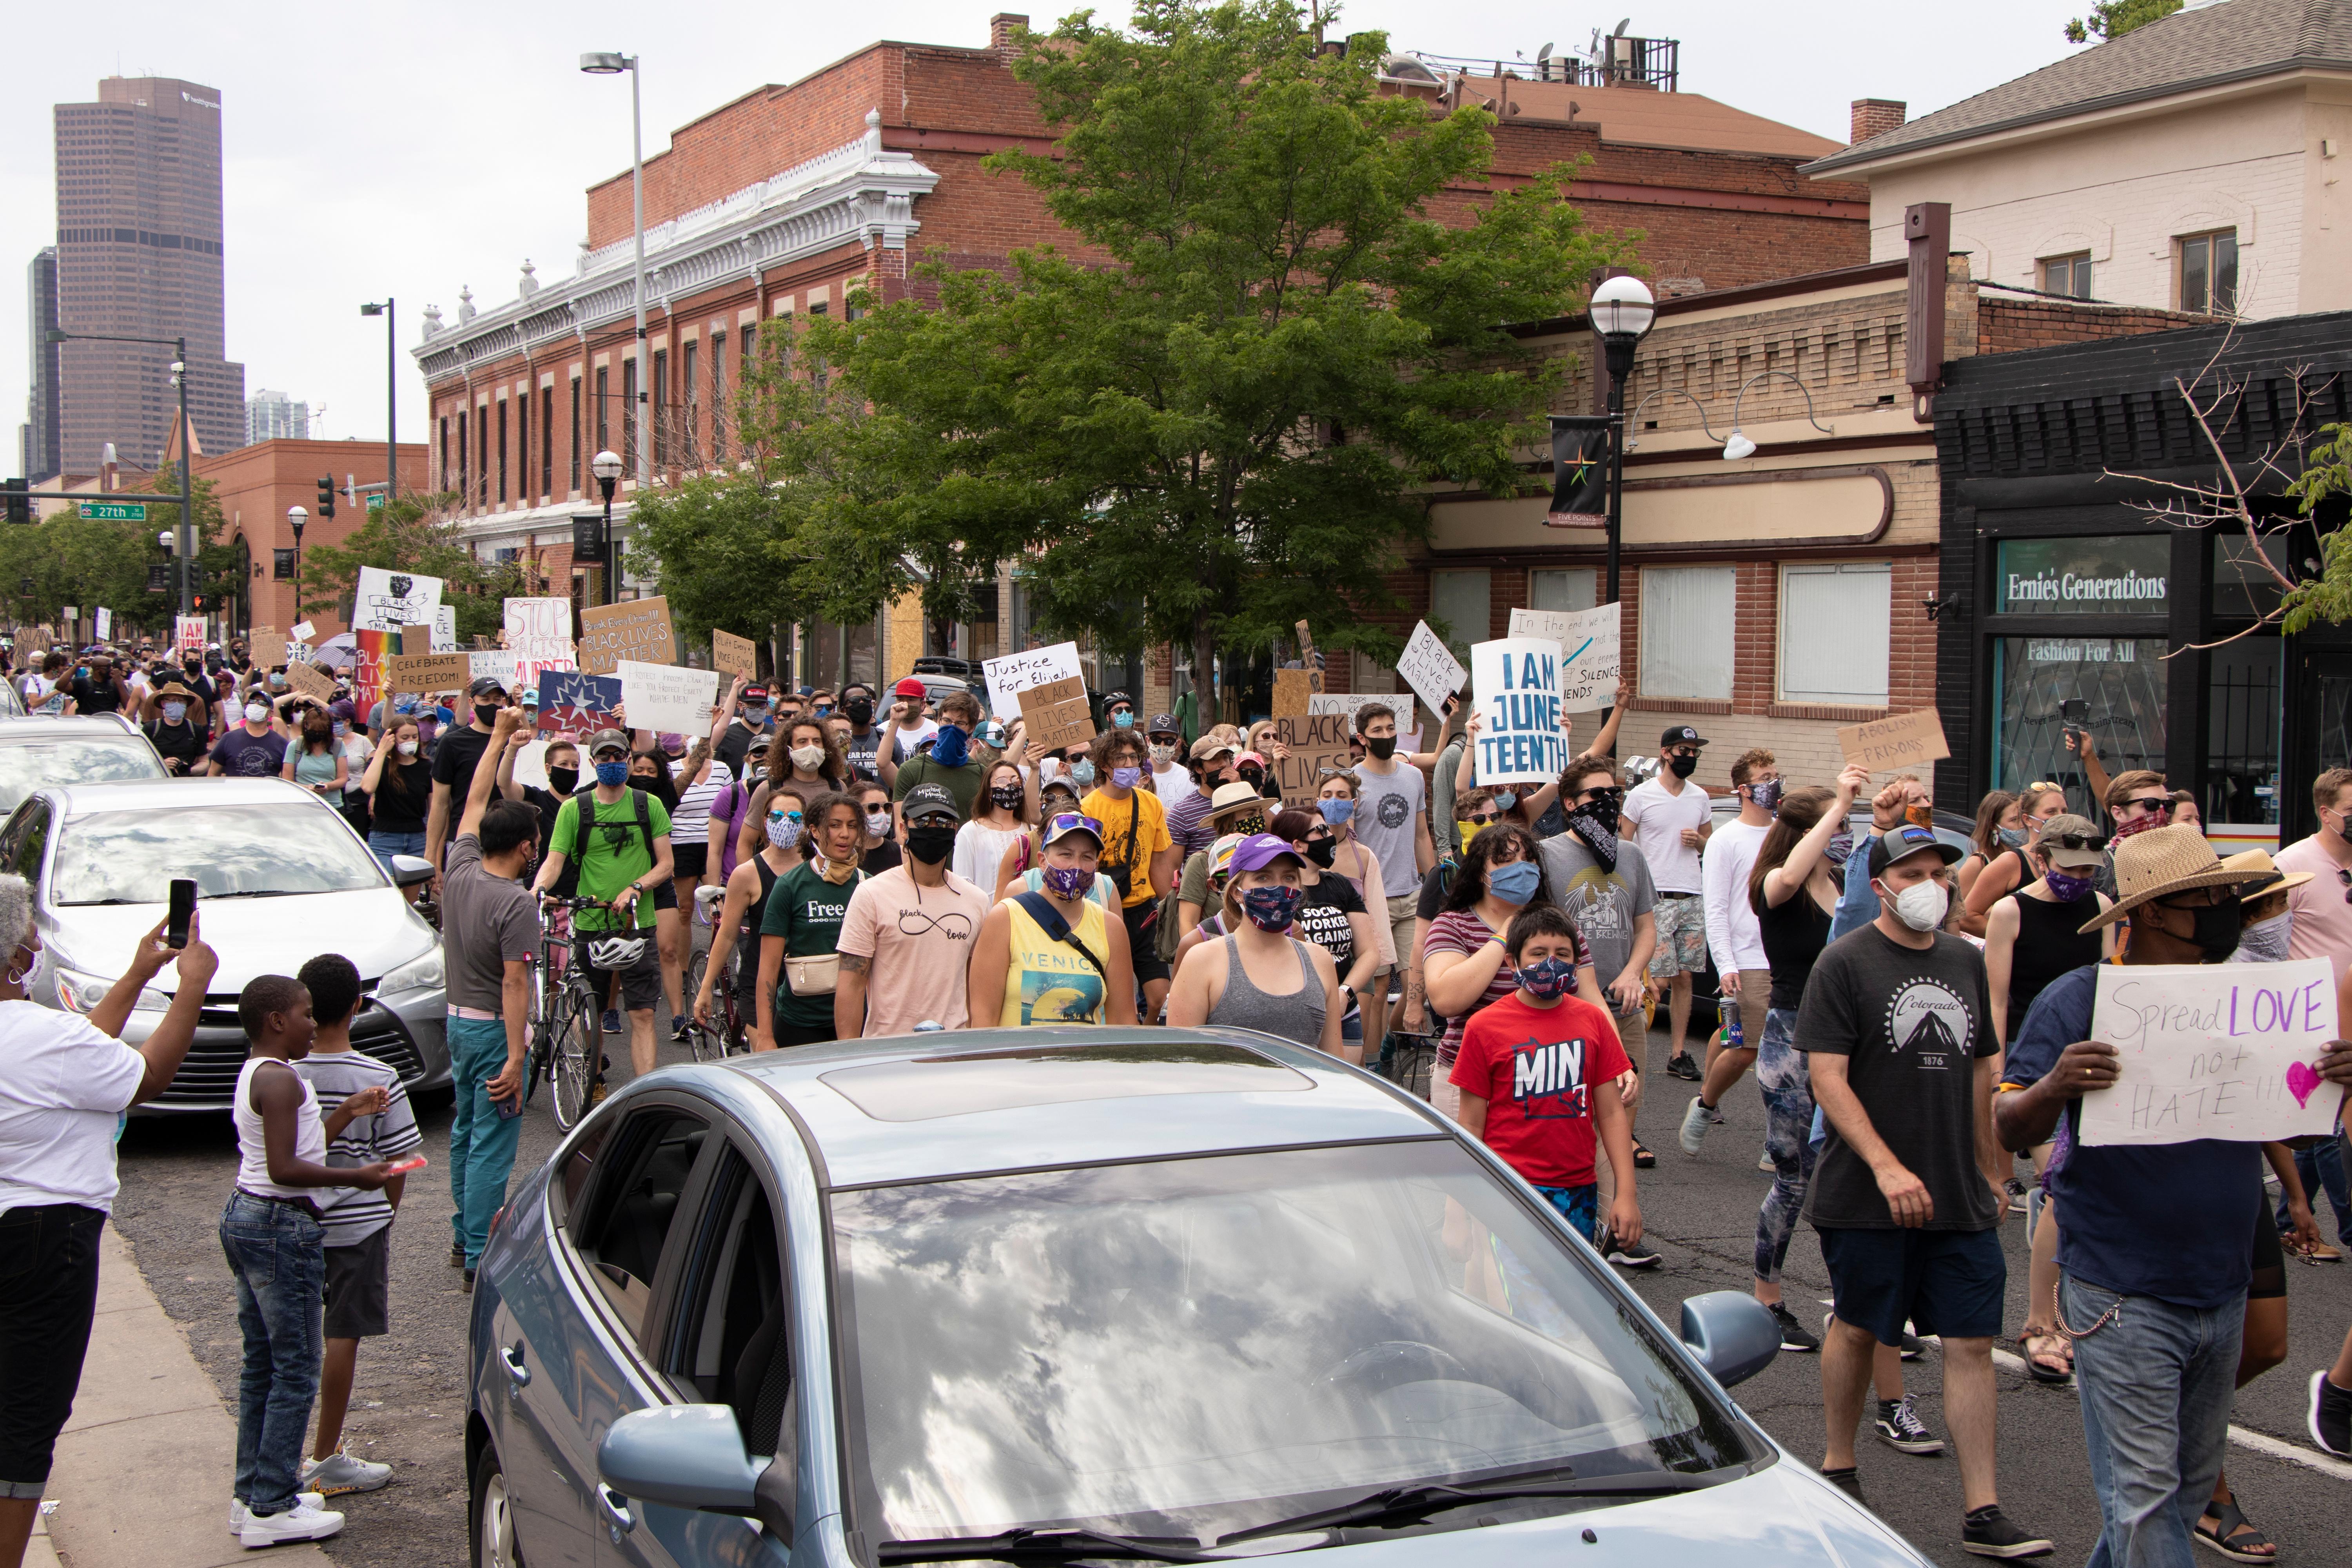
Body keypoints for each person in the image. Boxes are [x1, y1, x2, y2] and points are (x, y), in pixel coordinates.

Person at [1996, 826, 2352, 1568]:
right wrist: (2058, 1084)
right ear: (2155, 912)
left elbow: (2288, 1114)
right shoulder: (2083, 997)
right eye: (2211, 899)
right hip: (2124, 1292)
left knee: (2175, 1496)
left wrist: (2336, 1078)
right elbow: (2006, 1121)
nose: (2230, 911)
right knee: (2147, 1496)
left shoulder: (2249, 997)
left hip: (2218, 1288)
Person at [1801, 823, 2045, 1556]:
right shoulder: (1843, 964)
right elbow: (1828, 1079)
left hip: (1957, 1197)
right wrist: (1884, 1165)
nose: (1929, 886)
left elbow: (1979, 1071)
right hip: (1866, 1196)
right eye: (1912, 875)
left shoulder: (1963, 963)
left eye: (1939, 872)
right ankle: (1838, 1468)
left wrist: (1992, 1167)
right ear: (1879, 886)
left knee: (1971, 1342)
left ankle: (1983, 1510)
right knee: (1858, 1324)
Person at [0, 893, 216, 1568]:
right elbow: (144, 1076)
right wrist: (192, 988)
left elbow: (79, 1054)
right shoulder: (40, 1035)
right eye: (31, 935)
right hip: (47, 1237)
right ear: (14, 955)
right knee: (28, 1415)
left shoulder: (45, 1043)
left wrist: (135, 976)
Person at [221, 974, 396, 1549]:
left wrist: (345, 1112)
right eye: (303, 1016)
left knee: (262, 1364)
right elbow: (285, 1169)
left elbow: (299, 1147)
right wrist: (359, 1176)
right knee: (295, 1366)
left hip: (247, 1217)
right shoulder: (282, 1082)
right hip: (280, 1225)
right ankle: (272, 1506)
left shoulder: (262, 1073)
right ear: (276, 1021)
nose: (311, 1025)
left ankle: (252, 1495)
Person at [1739, 772, 1871, 1361]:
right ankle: (1768, 1295)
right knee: (1795, 1179)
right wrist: (1836, 801)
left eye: (1845, 824)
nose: (1843, 833)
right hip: (1792, 1044)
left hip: (1846, 1041)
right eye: (1837, 825)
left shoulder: (1842, 883)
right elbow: (1789, 875)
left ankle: (1860, 1304)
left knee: (1855, 1174)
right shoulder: (1774, 883)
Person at [1981, 812, 2114, 1383]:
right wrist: (1999, 1078)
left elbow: (2110, 986)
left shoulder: (2103, 906)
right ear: (2040, 859)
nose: (2078, 879)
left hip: (2091, 1066)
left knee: (2079, 1191)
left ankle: (2083, 1310)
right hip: (2035, 1067)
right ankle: (2040, 1322)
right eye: (2068, 868)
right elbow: (1997, 1001)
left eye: (2088, 869)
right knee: (2061, 1186)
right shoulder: (2010, 911)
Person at [287, 953, 417, 1499]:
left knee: (291, 1341)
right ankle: (325, 1454)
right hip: (359, 1227)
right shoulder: (379, 1077)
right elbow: (399, 1161)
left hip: (296, 1223)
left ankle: (285, 1450)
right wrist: (386, 1212)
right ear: (359, 1007)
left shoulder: (287, 1076)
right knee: (342, 1337)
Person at [1450, 904, 1639, 1250]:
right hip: (1511, 1188)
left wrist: (1626, 1195)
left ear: (1577, 962)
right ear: (1513, 962)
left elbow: (1611, 1114)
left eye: (1562, 954)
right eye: (1538, 953)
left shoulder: (1593, 1022)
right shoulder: (1484, 1027)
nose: (1551, 962)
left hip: (1579, 1189)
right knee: (1521, 1294)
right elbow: (1471, 1126)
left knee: (1572, 1295)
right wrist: (1458, 1212)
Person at [438, 709, 540, 1287]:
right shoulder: (516, 903)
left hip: (457, 1025)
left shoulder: (459, 868)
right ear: (526, 848)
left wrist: (499, 738)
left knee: (463, 1132)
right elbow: (515, 983)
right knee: (492, 1145)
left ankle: (462, 1233)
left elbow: (472, 801)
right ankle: (479, 1252)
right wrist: (517, 1055)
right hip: (491, 1031)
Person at [1537, 755, 1662, 1209]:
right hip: (1567, 1011)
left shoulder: (1630, 855)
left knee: (1619, 1120)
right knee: (1569, 1121)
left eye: (1615, 795)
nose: (1608, 803)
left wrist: (1634, 972)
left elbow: (1646, 926)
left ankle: (1613, 1222)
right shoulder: (1547, 855)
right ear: (1570, 803)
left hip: (1623, 1010)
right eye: (1596, 795)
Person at [1423, 823, 1610, 1120]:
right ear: (1480, 873)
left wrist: (1617, 1061)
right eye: (1506, 860)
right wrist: (1505, 935)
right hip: (1473, 1080)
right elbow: (1446, 1000)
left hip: (1554, 1077)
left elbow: (1592, 1000)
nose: (1521, 868)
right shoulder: (1452, 925)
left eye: (1528, 859)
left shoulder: (1563, 928)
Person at [535, 728, 671, 1079]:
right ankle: (593, 1086)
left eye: (619, 756)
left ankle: (645, 1094)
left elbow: (666, 864)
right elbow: (554, 861)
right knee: (590, 1012)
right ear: (593, 763)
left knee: (642, 1013)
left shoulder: (648, 805)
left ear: (629, 759)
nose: (612, 763)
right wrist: (536, 892)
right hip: (590, 923)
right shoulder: (574, 809)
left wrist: (637, 887)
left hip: (637, 924)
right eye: (605, 757)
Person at [835, 784, 992, 1037]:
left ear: (955, 829)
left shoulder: (977, 901)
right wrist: (850, 1057)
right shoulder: (871, 895)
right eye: (921, 821)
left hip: (954, 1050)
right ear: (902, 829)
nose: (932, 828)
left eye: (943, 821)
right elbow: (851, 987)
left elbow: (978, 986)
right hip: (887, 1052)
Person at [1165, 833, 1342, 1051]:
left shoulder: (1320, 960)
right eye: (1263, 878)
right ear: (1236, 892)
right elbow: (1181, 1059)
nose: (1278, 889)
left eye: (1289, 878)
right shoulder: (1202, 960)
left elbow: (1335, 1061)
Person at [1689, 747, 1780, 1151]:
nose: (1773, 785)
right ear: (1743, 789)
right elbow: (1717, 908)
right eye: (1764, 779)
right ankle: (1705, 1103)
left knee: (1791, 1056)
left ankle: (1779, 1143)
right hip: (1749, 960)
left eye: (1775, 776)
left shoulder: (1787, 834)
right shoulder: (1725, 839)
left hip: (1788, 959)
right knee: (1744, 1051)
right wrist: (1726, 964)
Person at [971, 811, 1138, 1027]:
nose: (1076, 866)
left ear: (1096, 865)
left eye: (1086, 857)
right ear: (1042, 861)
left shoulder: (1111, 928)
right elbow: (984, 1020)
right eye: (1066, 855)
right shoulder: (1005, 919)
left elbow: (1123, 1023)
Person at [1623, 726, 1713, 1080]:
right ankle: (1630, 1048)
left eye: (1694, 752)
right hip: (1655, 896)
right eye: (1683, 750)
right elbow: (1625, 844)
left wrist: (1701, 842)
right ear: (1665, 753)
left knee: (1686, 977)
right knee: (1656, 980)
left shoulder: (1700, 797)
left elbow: (1710, 844)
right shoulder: (1642, 796)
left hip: (1692, 892)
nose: (1689, 757)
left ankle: (1678, 1054)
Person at [693, 784, 808, 1050]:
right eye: (778, 817)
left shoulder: (815, 869)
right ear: (765, 823)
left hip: (805, 982)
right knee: (771, 1061)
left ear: (805, 825)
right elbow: (728, 933)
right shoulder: (746, 874)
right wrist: (706, 987)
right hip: (759, 981)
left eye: (795, 818)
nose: (786, 824)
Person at [754, 790, 866, 1049]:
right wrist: (765, 1036)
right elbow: (768, 968)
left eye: (852, 826)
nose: (845, 834)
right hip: (799, 1022)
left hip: (856, 1021)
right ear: (814, 830)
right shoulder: (790, 886)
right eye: (835, 825)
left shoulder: (868, 884)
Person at [1083, 726, 1178, 1022]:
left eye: (1133, 758)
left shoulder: (1150, 803)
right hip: (1102, 913)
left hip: (1144, 914)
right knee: (1112, 998)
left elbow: (1159, 862)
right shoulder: (1087, 808)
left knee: (1160, 997)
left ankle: (1148, 1038)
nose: (1128, 765)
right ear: (1103, 765)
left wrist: (1169, 908)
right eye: (1120, 759)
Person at [1269, 809, 1378, 1060]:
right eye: (1321, 831)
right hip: (1297, 1011)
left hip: (1344, 1010)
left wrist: (1344, 994)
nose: (1330, 836)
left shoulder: (1340, 885)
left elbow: (1370, 953)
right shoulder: (1278, 894)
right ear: (1298, 845)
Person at [1352, 704, 1434, 1024]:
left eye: (1390, 728)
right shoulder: (1353, 782)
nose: (1386, 735)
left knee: (1418, 979)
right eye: (1377, 731)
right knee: (1379, 985)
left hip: (1411, 894)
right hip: (1372, 899)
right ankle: (1376, 1060)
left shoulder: (1414, 777)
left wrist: (1432, 880)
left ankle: (1392, 1045)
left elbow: (1421, 836)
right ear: (1363, 738)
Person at [425, 676, 510, 883]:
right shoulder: (453, 743)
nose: (492, 705)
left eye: (497, 699)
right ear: (472, 702)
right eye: (486, 699)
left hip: (509, 840)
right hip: (467, 841)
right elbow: (440, 803)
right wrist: (432, 856)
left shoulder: (514, 741)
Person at [2276, 767, 2352, 991]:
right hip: (2311, 1014)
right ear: (2325, 814)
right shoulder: (2290, 866)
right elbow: (2262, 946)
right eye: (2351, 809)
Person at [1960, 782, 2068, 926]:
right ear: (2028, 820)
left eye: (2064, 811)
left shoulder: (2070, 858)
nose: (2060, 818)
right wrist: (2016, 936)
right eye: (2051, 812)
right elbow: (1962, 915)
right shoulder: (2006, 862)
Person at [891, 689, 990, 819]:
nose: (951, 727)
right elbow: (901, 826)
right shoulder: (911, 769)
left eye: (960, 723)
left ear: (971, 728)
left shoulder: (982, 774)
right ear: (939, 721)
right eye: (947, 721)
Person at [955, 759, 1034, 893]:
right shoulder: (970, 832)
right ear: (989, 791)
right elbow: (962, 886)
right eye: (1002, 782)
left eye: (1016, 781)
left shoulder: (1031, 830)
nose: (1010, 786)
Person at [1951, 790, 2022, 931]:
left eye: (2022, 818)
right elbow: (1956, 913)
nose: (2022, 826)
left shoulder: (2023, 859)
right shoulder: (1979, 862)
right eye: (2014, 820)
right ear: (1993, 826)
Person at [1167, 733, 1241, 859]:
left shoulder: (1243, 798)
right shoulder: (1182, 813)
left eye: (1225, 758)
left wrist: (1240, 790)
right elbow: (1172, 868)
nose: (1223, 764)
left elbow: (1271, 829)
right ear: (1198, 768)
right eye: (1214, 759)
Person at [205, 690, 291, 778]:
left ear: (271, 713)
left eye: (262, 703)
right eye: (252, 702)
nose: (256, 705)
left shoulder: (281, 743)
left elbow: (286, 777)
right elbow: (213, 773)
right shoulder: (228, 738)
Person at [281, 704, 349, 800]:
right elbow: (287, 780)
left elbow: (343, 779)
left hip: (332, 805)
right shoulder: (295, 746)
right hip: (303, 803)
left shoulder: (338, 745)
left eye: (320, 732)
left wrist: (328, 786)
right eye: (313, 731)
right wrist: (307, 788)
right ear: (306, 726)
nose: (317, 734)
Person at [142, 679, 209, 776]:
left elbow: (204, 762)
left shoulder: (195, 729)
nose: (177, 704)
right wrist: (161, 765)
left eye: (181, 701)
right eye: (173, 701)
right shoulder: (151, 729)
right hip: (159, 781)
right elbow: (141, 761)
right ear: (163, 704)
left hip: (186, 782)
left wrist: (189, 771)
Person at [856, 780, 902, 875]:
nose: (882, 812)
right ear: (856, 811)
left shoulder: (901, 853)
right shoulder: (845, 853)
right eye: (873, 807)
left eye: (887, 807)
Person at [1145, 712, 1187, 797]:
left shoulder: (1187, 778)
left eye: (1169, 741)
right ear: (1148, 741)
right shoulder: (1136, 776)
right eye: (1156, 740)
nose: (1162, 746)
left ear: (1177, 744)